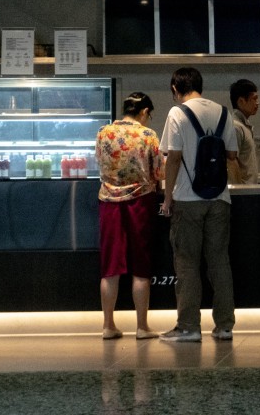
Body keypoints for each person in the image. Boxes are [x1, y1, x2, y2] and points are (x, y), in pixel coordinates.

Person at [159, 67, 240, 343]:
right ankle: (225, 325)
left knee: (187, 263)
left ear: (175, 88)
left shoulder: (177, 113)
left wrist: (167, 197)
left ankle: (189, 326)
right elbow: (231, 154)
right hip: (219, 198)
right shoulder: (223, 112)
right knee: (219, 262)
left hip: (187, 199)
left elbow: (173, 158)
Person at [95, 91, 164, 340]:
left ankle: (108, 325)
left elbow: (99, 162)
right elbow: (159, 172)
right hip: (140, 202)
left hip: (109, 202)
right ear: (144, 112)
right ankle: (142, 326)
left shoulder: (104, 132)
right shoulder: (148, 135)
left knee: (110, 266)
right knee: (141, 265)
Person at [229, 78, 260, 185]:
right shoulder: (236, 127)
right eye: (254, 99)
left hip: (248, 190)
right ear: (241, 101)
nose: (257, 103)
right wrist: (240, 191)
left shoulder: (244, 126)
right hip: (243, 192)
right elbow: (231, 161)